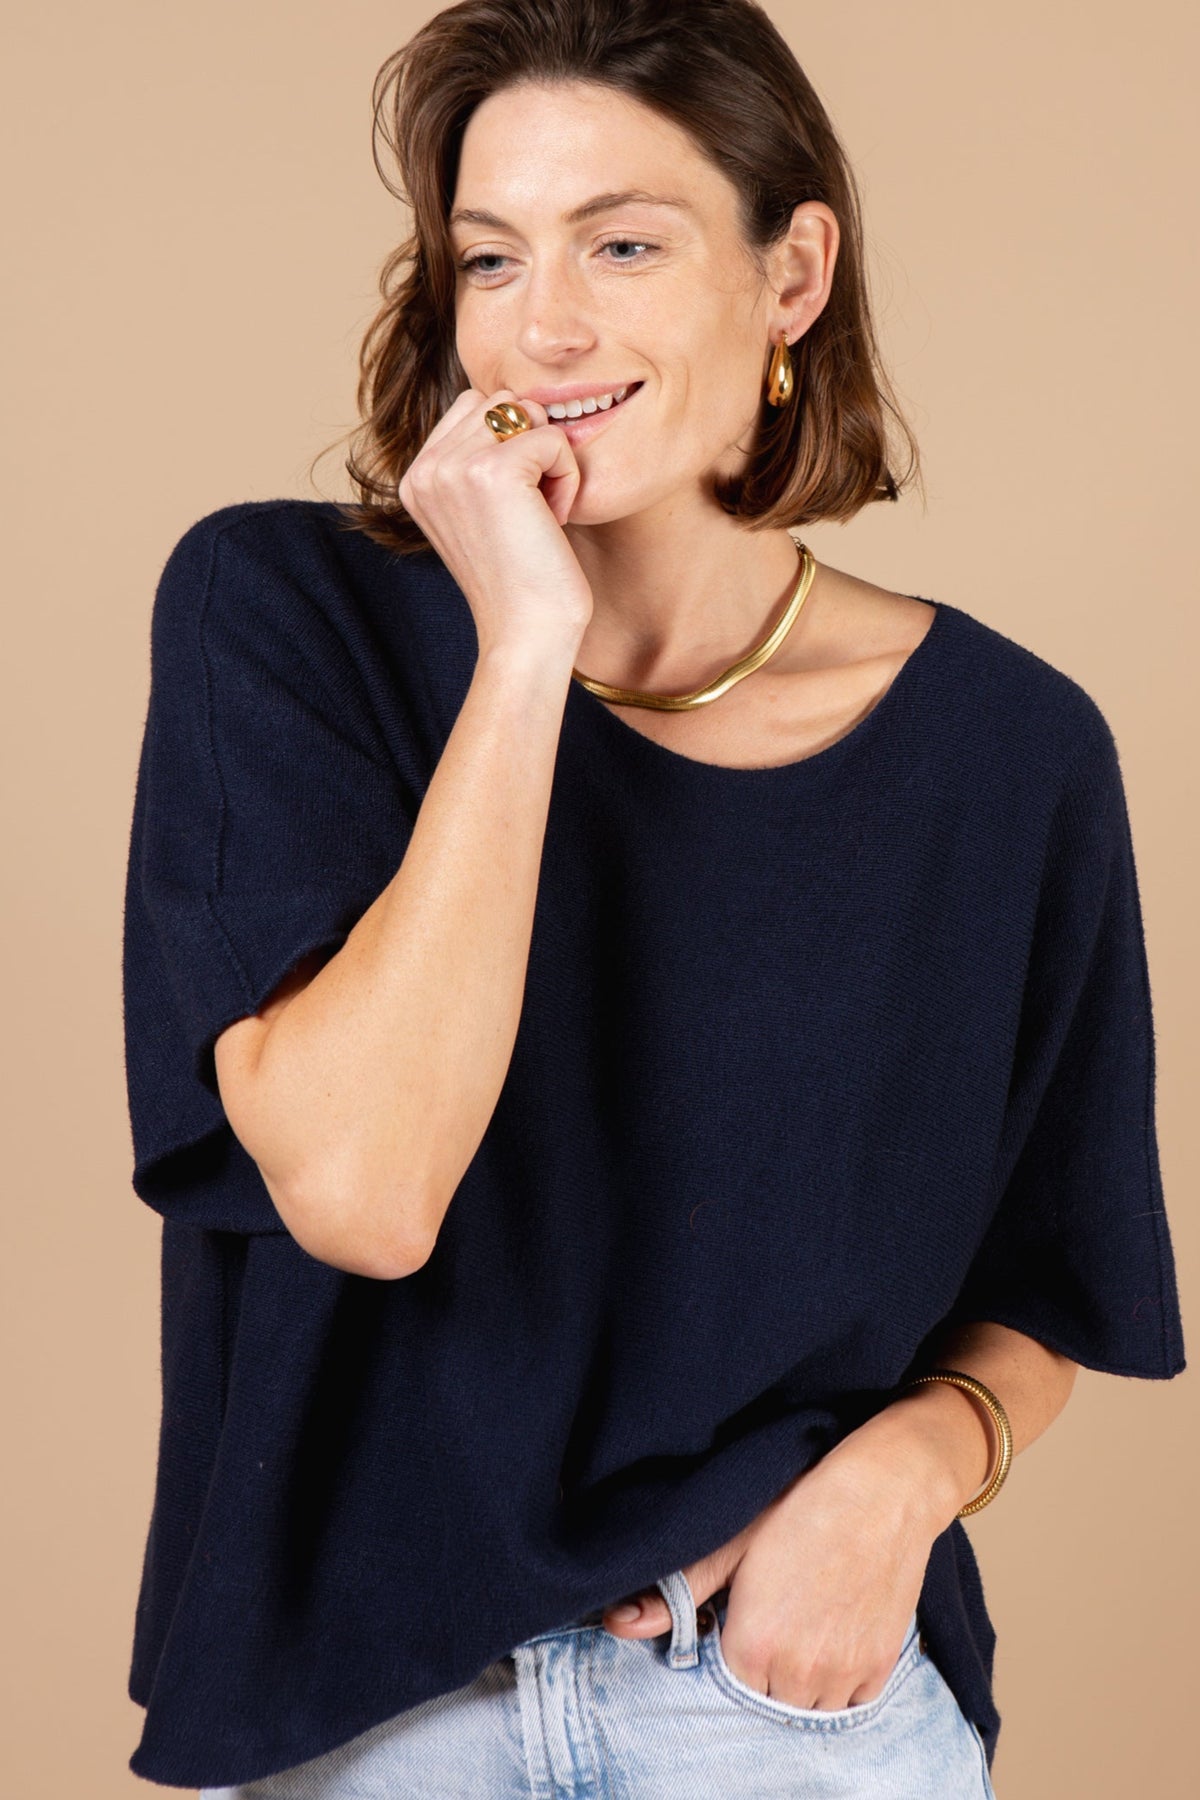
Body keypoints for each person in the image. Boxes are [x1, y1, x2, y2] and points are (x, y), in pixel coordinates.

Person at [120, 1, 1186, 1795]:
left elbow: (1051, 1285)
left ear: (792, 276)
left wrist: (899, 1481)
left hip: (784, 1703)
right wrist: (525, 643)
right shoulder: (283, 617)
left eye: (623, 245)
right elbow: (363, 1192)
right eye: (490, 257)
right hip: (361, 1727)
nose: (543, 326)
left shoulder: (1014, 753)